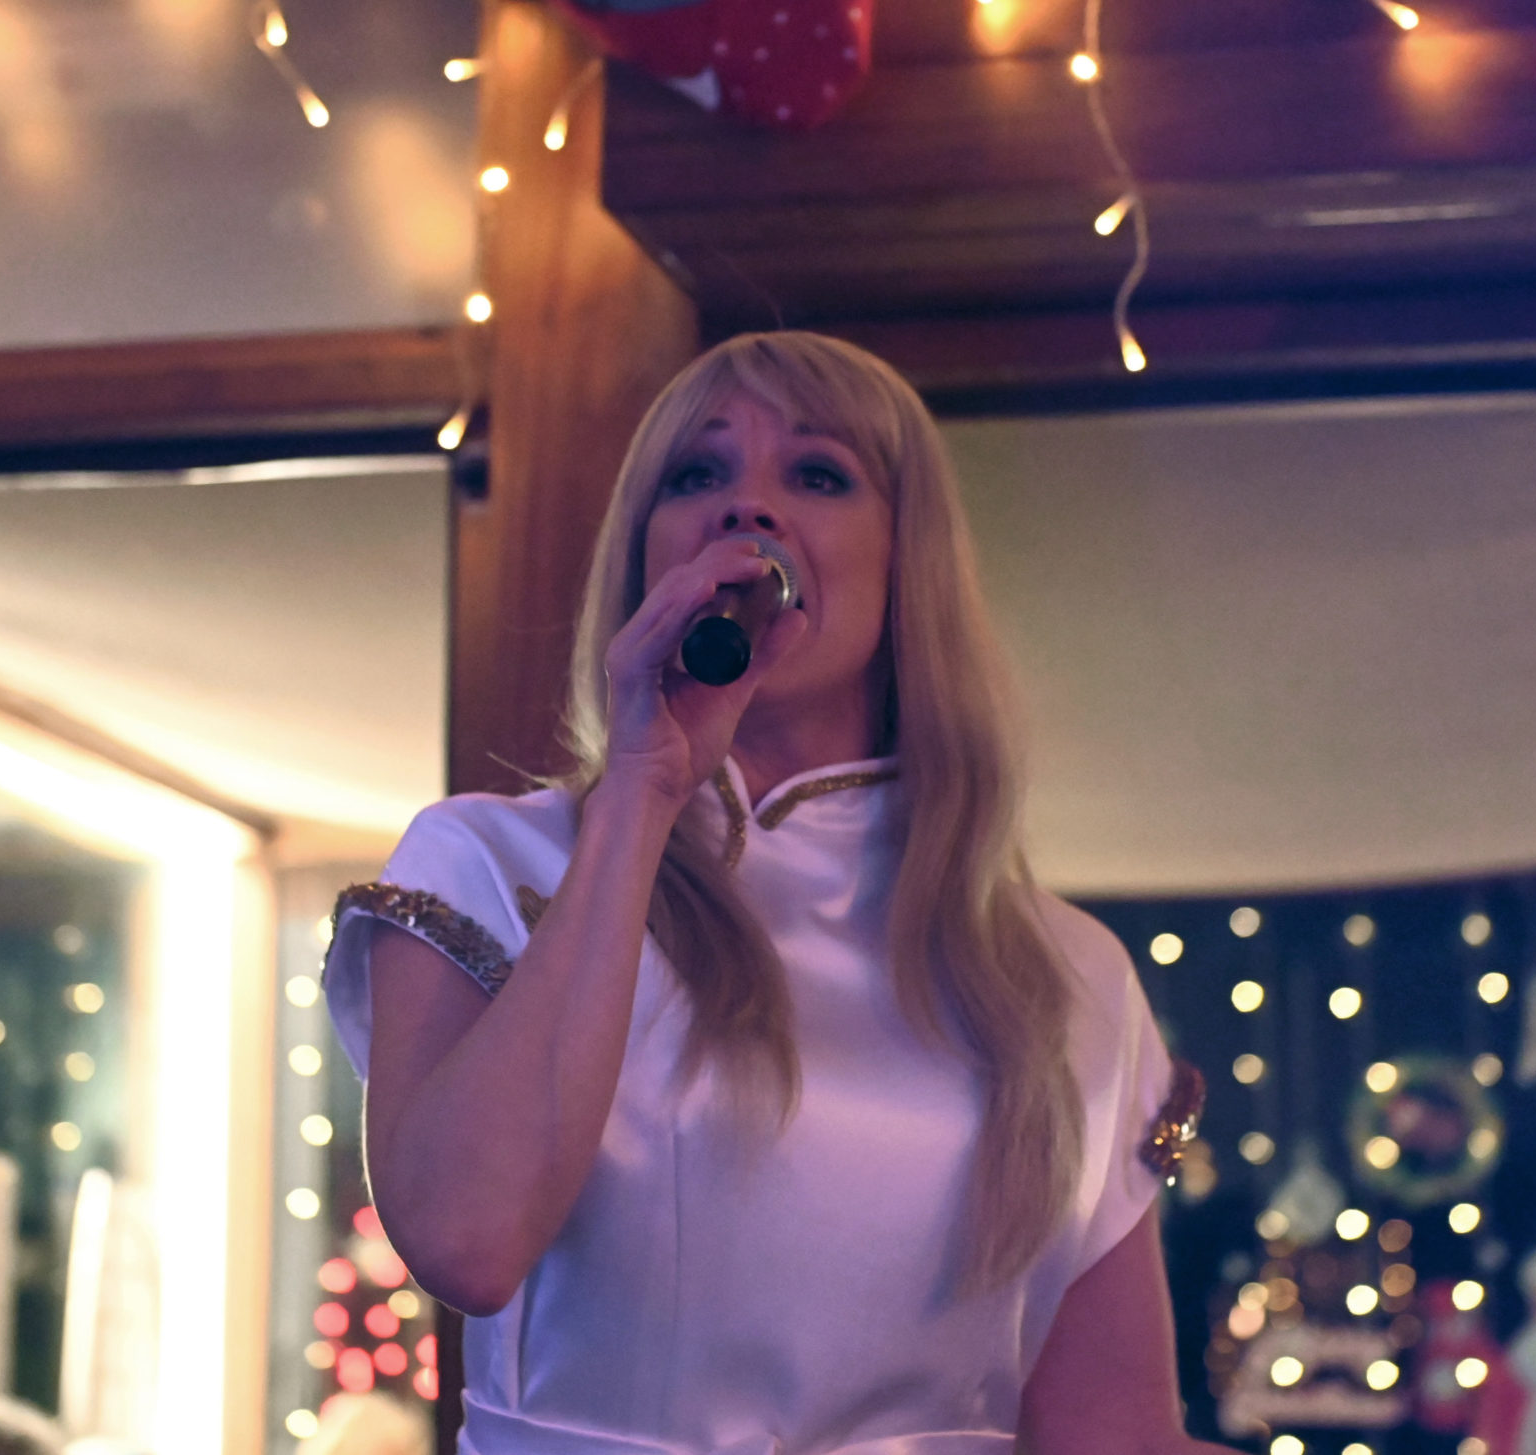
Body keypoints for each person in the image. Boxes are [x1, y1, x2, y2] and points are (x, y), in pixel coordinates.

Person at [323, 332, 1209, 1455]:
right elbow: (467, 1239)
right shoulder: (491, 862)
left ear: (910, 563)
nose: (746, 506)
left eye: (818, 473)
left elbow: (1113, 1433)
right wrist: (641, 791)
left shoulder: (1062, 971)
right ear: (642, 554)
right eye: (695, 473)